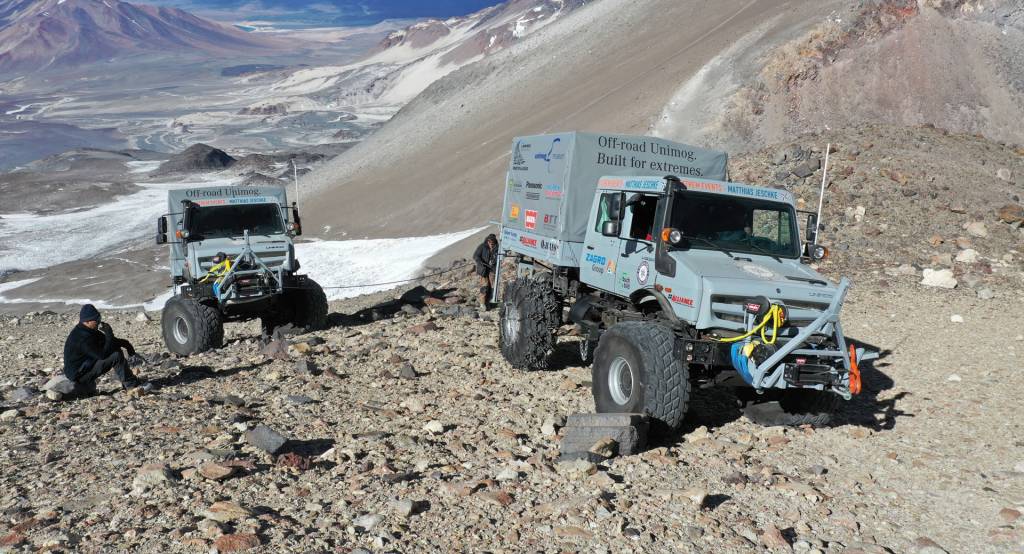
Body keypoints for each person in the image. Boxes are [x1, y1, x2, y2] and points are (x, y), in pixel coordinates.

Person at [63, 304, 149, 398]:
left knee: (115, 349)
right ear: (87, 321)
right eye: (96, 320)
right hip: (79, 376)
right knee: (116, 355)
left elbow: (111, 342)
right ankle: (132, 386)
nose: (99, 322)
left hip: (85, 367)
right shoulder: (82, 339)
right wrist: (109, 333)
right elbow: (102, 355)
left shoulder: (89, 330)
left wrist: (128, 346)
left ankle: (130, 382)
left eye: (99, 318)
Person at [473, 234, 498, 309]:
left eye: (492, 242)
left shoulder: (497, 248)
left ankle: (488, 302)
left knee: (492, 287)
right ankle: (482, 303)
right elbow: (475, 256)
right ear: (487, 240)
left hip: (492, 269)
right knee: (485, 286)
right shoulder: (482, 247)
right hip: (483, 269)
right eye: (489, 241)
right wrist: (480, 262)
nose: (491, 243)